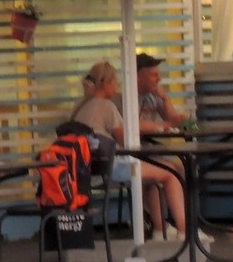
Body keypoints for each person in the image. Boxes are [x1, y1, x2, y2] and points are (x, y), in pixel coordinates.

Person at [70, 61, 190, 242]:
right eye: (115, 82)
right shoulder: (106, 106)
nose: (117, 86)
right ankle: (185, 231)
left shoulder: (79, 106)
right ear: (106, 83)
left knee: (155, 174)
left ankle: (160, 229)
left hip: (88, 169)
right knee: (171, 172)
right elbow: (126, 141)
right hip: (113, 168)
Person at [136, 53, 189, 133]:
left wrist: (165, 98)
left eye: (159, 75)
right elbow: (134, 125)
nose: (159, 79)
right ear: (138, 77)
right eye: (154, 75)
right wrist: (168, 124)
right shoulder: (125, 96)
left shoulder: (153, 95)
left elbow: (175, 121)